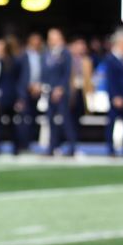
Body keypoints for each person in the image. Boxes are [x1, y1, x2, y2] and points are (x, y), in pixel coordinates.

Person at [43, 28, 77, 156]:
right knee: (50, 120)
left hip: (61, 93)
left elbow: (67, 74)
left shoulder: (65, 53)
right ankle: (52, 147)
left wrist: (60, 88)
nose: (51, 40)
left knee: (65, 120)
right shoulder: (47, 53)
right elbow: (45, 72)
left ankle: (71, 146)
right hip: (49, 91)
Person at [15, 32, 44, 155]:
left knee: (32, 119)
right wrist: (20, 94)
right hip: (24, 92)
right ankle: (21, 145)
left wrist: (39, 86)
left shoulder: (43, 56)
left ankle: (29, 144)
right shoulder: (22, 56)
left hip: (36, 92)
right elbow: (18, 77)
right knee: (23, 119)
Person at [102, 31, 123, 157]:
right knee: (112, 123)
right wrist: (115, 96)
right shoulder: (111, 59)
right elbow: (111, 80)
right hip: (116, 97)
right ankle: (111, 149)